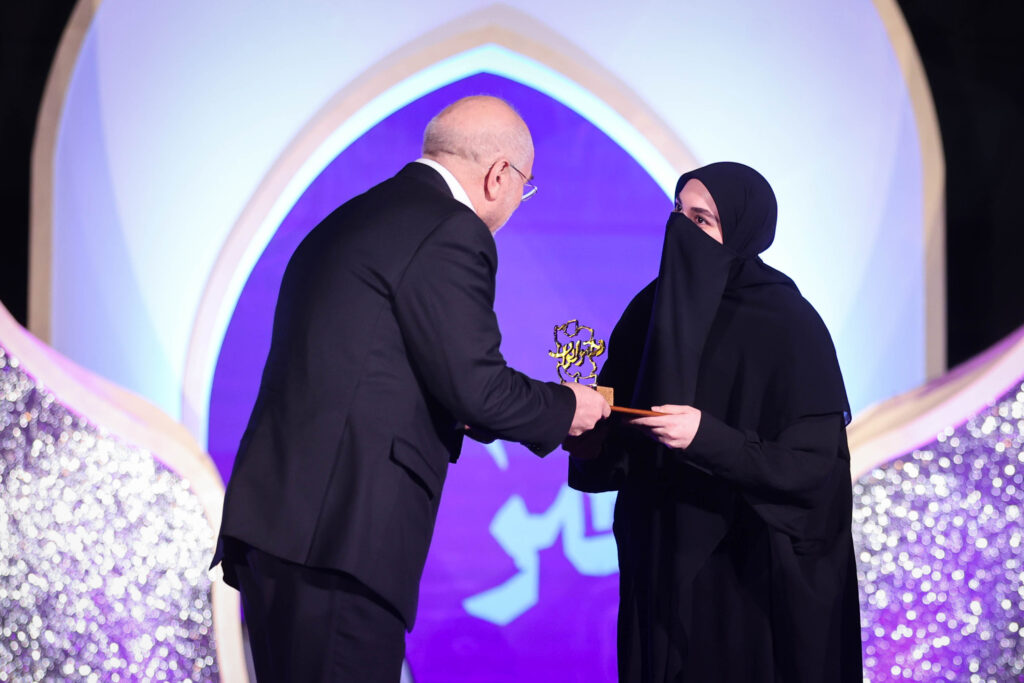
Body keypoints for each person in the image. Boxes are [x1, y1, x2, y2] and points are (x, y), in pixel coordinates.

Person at [211, 95, 611, 682]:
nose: (515, 203)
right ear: (500, 175)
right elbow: (477, 386)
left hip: (282, 531)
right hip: (340, 537)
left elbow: (384, 370)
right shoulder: (451, 229)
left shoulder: (350, 219)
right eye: (524, 188)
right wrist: (569, 405)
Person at [567, 162, 862, 682]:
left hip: (743, 569)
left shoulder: (789, 324)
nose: (680, 229)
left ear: (743, 230)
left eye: (701, 220)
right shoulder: (648, 311)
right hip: (657, 554)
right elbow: (615, 444)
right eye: (676, 213)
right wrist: (587, 435)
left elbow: (813, 470)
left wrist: (706, 437)